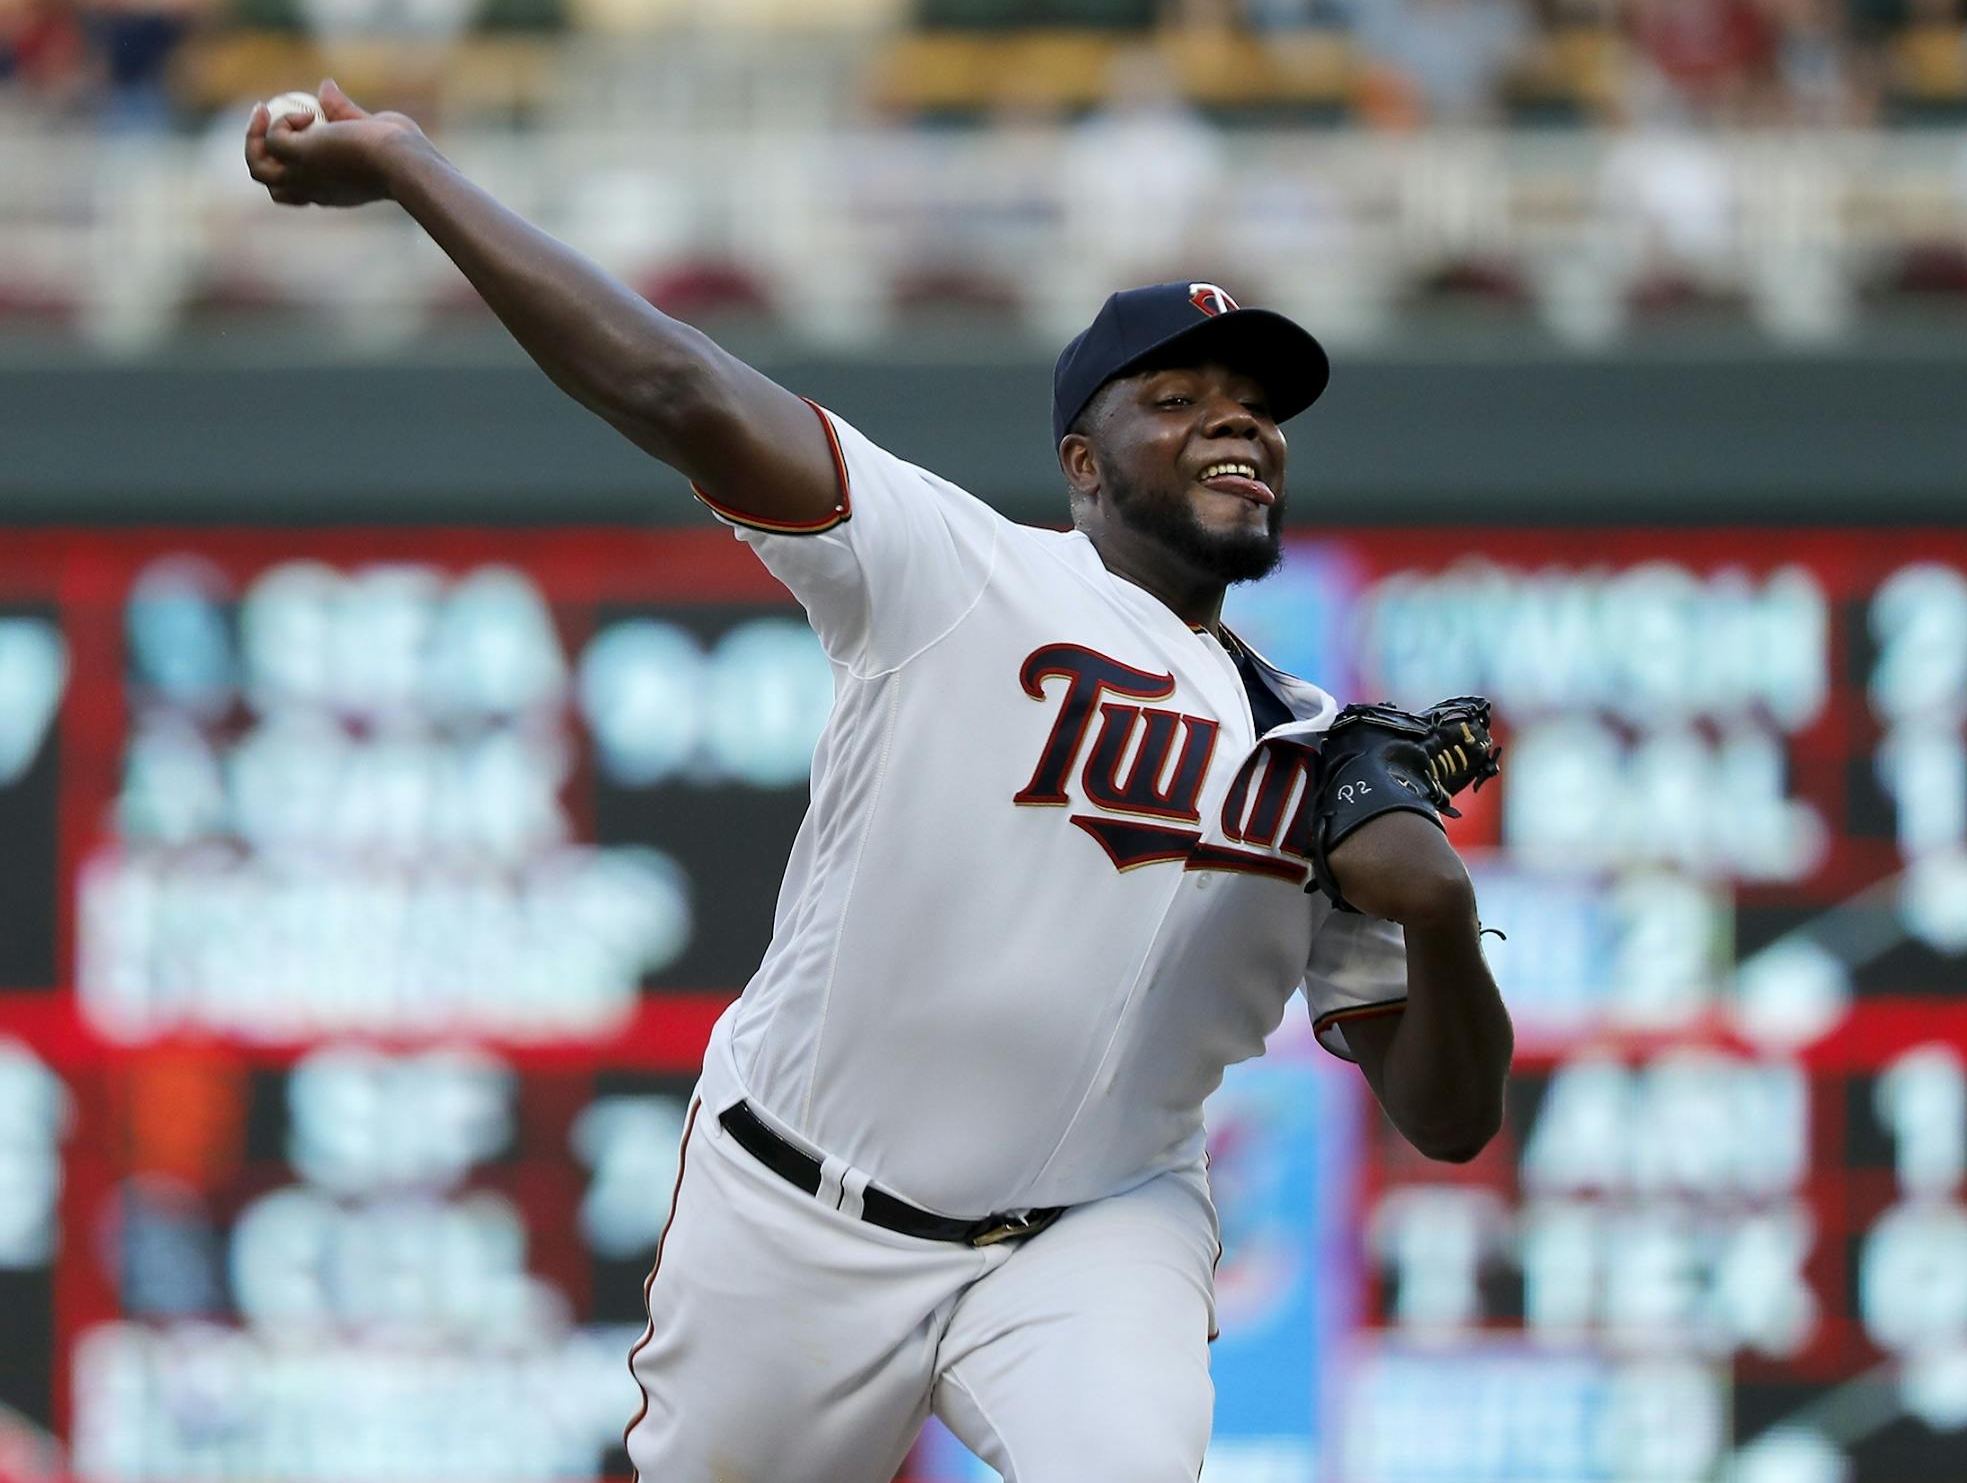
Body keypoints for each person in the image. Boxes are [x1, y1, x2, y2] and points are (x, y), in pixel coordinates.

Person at [242, 82, 1515, 1483]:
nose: (1241, 425)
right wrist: (418, 171)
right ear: (1083, 465)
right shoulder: (957, 571)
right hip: (800, 1213)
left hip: (1097, 1231)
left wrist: (1442, 918)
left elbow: (1447, 1118)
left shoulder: (1330, 759)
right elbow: (673, 386)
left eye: (1260, 409)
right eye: (1181, 398)